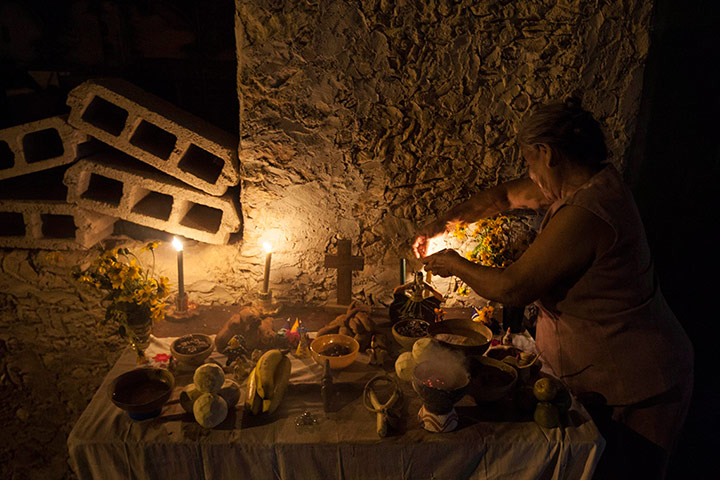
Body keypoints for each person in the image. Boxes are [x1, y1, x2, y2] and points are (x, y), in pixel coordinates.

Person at [414, 98, 693, 479]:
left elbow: (514, 288)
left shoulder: (588, 211)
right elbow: (503, 197)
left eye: (530, 162)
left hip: (638, 383)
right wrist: (440, 225)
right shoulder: (579, 185)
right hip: (600, 377)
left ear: (547, 152)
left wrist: (452, 262)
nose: (530, 173)